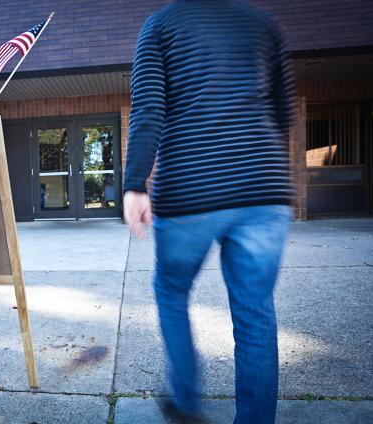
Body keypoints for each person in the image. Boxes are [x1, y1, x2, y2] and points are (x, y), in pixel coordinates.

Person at [123, 1, 294, 423]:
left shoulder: (161, 25)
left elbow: (149, 109)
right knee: (255, 312)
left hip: (191, 186)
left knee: (171, 291)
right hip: (263, 185)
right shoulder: (262, 23)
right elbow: (282, 111)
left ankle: (185, 403)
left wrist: (134, 183)